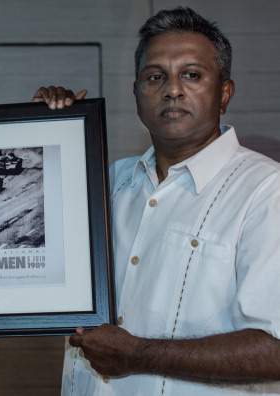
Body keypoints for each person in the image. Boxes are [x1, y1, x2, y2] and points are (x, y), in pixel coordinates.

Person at [33, 7, 280, 396]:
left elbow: (275, 351)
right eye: (155, 77)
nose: (173, 89)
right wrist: (42, 136)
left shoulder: (266, 191)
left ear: (224, 94)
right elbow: (36, 263)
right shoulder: (109, 182)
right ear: (136, 93)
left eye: (192, 75)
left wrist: (140, 355)